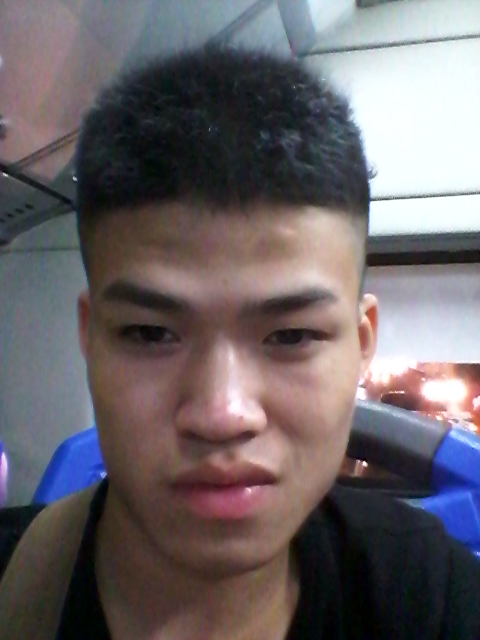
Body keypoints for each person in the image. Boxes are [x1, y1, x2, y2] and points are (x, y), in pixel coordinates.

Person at [1, 47, 480, 640]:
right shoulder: (17, 587)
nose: (222, 415)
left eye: (292, 335)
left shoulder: (428, 594)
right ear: (89, 337)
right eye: (150, 333)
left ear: (362, 347)